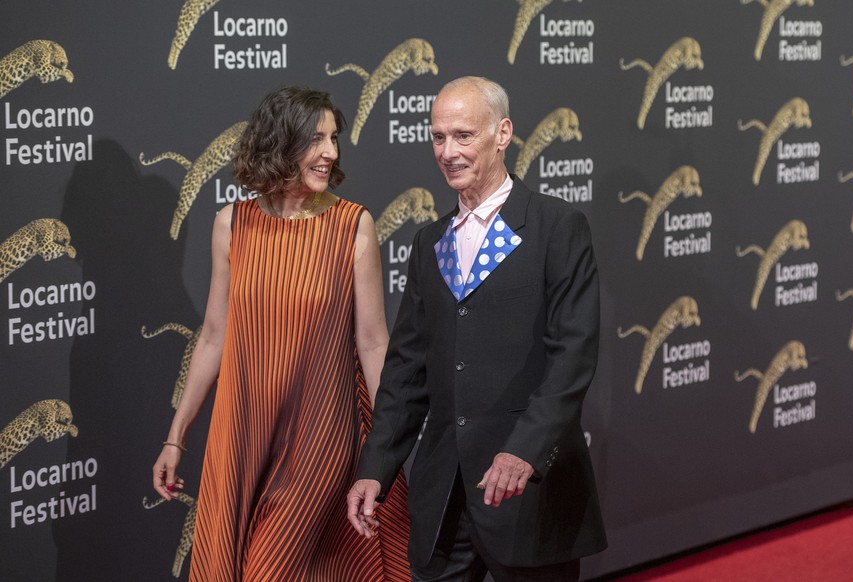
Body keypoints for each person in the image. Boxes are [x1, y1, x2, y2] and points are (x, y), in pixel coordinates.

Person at [347, 76, 607, 581]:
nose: (448, 152)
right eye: (438, 137)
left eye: (463, 136)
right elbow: (405, 371)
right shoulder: (429, 244)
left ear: (503, 133)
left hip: (530, 492)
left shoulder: (557, 227)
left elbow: (572, 356)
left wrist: (524, 449)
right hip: (445, 499)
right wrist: (375, 466)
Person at [152, 86, 410, 581]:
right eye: (317, 139)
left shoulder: (352, 226)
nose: (331, 153)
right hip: (243, 433)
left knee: (270, 569)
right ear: (280, 142)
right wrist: (175, 437)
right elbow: (212, 336)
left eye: (334, 139)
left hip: (320, 435)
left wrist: (388, 446)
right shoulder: (232, 224)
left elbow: (374, 342)